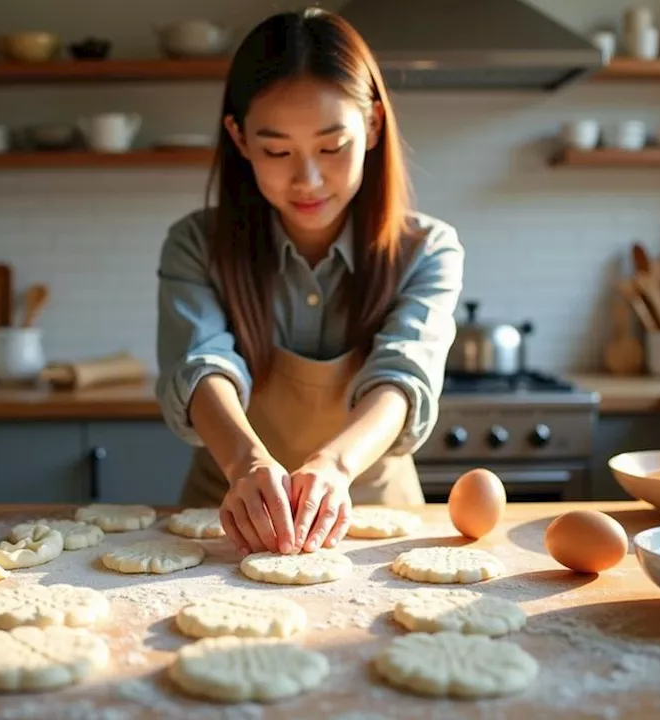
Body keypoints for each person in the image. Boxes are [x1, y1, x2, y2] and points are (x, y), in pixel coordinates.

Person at [155, 8, 463, 558]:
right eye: (277, 151)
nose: (308, 179)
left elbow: (402, 375)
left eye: (331, 146)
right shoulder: (196, 244)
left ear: (371, 126)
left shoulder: (428, 249)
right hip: (223, 512)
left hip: (374, 517)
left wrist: (335, 466)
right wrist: (247, 464)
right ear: (240, 139)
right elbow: (200, 366)